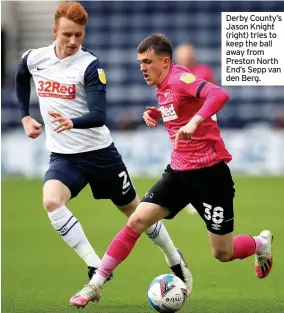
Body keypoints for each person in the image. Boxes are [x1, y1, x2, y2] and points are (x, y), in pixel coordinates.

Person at [70, 34, 274, 308]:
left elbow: (219, 94)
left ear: (165, 62)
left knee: (223, 253)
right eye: (139, 62)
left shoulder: (179, 79)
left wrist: (195, 123)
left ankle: (260, 243)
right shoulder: (163, 85)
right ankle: (96, 284)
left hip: (211, 177)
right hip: (178, 174)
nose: (142, 67)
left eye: (147, 61)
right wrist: (159, 113)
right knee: (136, 221)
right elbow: (181, 108)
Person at [15, 3, 192, 290]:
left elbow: (99, 115)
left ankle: (173, 256)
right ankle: (95, 264)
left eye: (79, 35)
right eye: (68, 35)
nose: (73, 41)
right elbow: (21, 75)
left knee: (137, 213)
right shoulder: (35, 58)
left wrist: (72, 122)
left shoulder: (89, 65)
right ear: (54, 31)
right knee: (51, 201)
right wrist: (25, 115)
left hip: (100, 155)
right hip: (64, 156)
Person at [175, 42, 217, 215]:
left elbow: (214, 95)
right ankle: (190, 196)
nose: (186, 58)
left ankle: (205, 196)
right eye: (182, 55)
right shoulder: (173, 74)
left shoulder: (204, 71)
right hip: (180, 125)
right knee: (183, 161)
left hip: (202, 123)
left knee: (206, 162)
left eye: (188, 54)